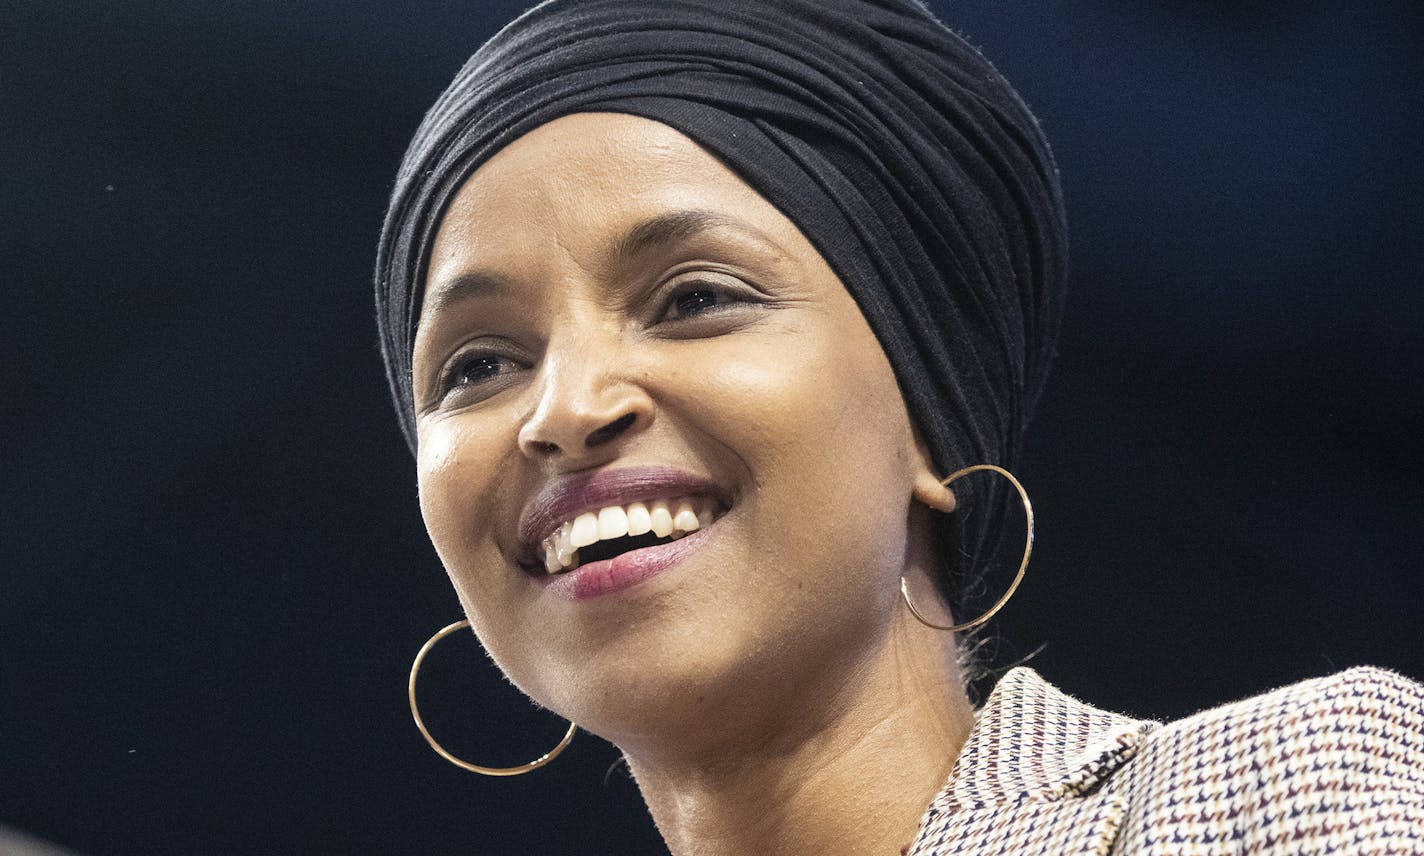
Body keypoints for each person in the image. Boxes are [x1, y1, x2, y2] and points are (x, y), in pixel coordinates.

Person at [374, 1, 1424, 853]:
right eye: (478, 365)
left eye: (692, 298)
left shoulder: (1279, 792)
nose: (562, 410)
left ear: (925, 409)